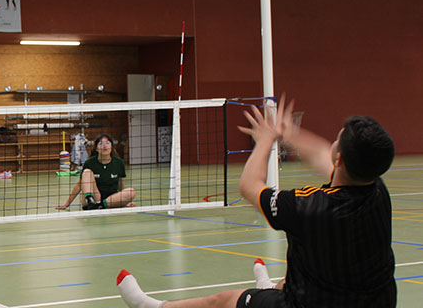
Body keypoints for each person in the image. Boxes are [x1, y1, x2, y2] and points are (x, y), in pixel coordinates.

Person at [117, 95, 396, 308]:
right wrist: (288, 132)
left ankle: (154, 306)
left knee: (227, 299)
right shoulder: (378, 192)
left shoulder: (307, 206)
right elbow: (323, 156)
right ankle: (270, 288)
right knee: (309, 262)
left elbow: (250, 186)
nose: (331, 144)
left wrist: (264, 140)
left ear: (341, 158)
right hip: (373, 301)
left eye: (337, 139)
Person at [56, 134, 136, 210]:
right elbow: (79, 185)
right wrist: (67, 203)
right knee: (87, 172)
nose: (104, 146)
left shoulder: (119, 162)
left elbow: (120, 182)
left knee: (131, 191)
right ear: (96, 148)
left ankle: (100, 205)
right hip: (95, 195)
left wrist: (124, 201)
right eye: (101, 143)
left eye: (107, 143)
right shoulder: (89, 163)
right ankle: (90, 201)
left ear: (111, 146)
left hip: (111, 198)